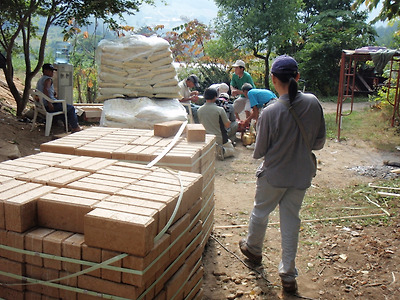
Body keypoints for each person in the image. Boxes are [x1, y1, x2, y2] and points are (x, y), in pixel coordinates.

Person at [238, 55, 326, 295]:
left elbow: (260, 151)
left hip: (274, 175)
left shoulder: (269, 111)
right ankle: (288, 275)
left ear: (273, 79)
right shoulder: (313, 102)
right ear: (297, 77)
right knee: (291, 221)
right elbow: (318, 143)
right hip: (301, 175)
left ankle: (254, 250)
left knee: (260, 211)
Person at [36, 63, 81, 133]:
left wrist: (52, 93)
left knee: (64, 109)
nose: (52, 73)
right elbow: (45, 89)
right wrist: (50, 102)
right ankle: (75, 127)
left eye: (53, 71)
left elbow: (45, 90)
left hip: (42, 105)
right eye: (51, 71)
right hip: (49, 105)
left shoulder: (40, 80)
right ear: (45, 71)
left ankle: (67, 126)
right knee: (71, 108)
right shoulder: (48, 79)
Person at [197, 88, 235, 160]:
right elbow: (227, 125)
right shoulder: (219, 109)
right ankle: (222, 151)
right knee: (232, 150)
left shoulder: (199, 110)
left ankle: (212, 150)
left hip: (206, 138)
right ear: (215, 97)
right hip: (218, 138)